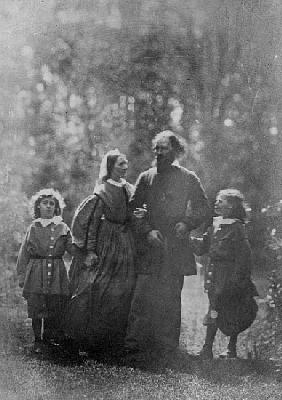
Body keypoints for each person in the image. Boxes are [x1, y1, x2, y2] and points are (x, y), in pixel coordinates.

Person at [124, 130, 211, 364]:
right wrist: (147, 231)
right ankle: (135, 348)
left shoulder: (189, 178)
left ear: (175, 150)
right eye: (157, 148)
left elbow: (203, 208)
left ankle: (166, 349)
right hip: (150, 247)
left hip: (175, 248)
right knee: (142, 297)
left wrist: (187, 223)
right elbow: (132, 209)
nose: (158, 153)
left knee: (171, 298)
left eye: (163, 148)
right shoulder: (146, 177)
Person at [64, 149, 136, 356]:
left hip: (125, 245)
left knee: (122, 289)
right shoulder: (102, 191)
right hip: (106, 244)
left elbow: (131, 215)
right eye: (121, 164)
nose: (125, 167)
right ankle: (91, 340)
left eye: (126, 163)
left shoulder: (129, 189)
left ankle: (113, 341)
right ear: (111, 167)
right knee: (98, 287)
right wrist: (90, 251)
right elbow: (93, 224)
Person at [192, 188, 258, 360]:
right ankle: (207, 348)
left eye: (221, 201)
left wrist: (238, 280)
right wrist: (188, 240)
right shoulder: (214, 224)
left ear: (231, 206)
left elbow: (244, 256)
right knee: (213, 309)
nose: (216, 203)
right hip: (214, 276)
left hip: (230, 277)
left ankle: (231, 348)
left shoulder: (237, 227)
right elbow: (203, 247)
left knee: (232, 310)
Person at [16, 188, 72, 353]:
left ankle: (48, 338)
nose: (48, 206)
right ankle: (38, 340)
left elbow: (71, 247)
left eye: (52, 204)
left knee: (52, 304)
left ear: (56, 208)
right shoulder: (34, 227)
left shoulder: (62, 227)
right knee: (36, 305)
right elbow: (24, 253)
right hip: (36, 271)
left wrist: (84, 252)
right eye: (44, 203)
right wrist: (22, 275)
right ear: (38, 206)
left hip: (56, 271)